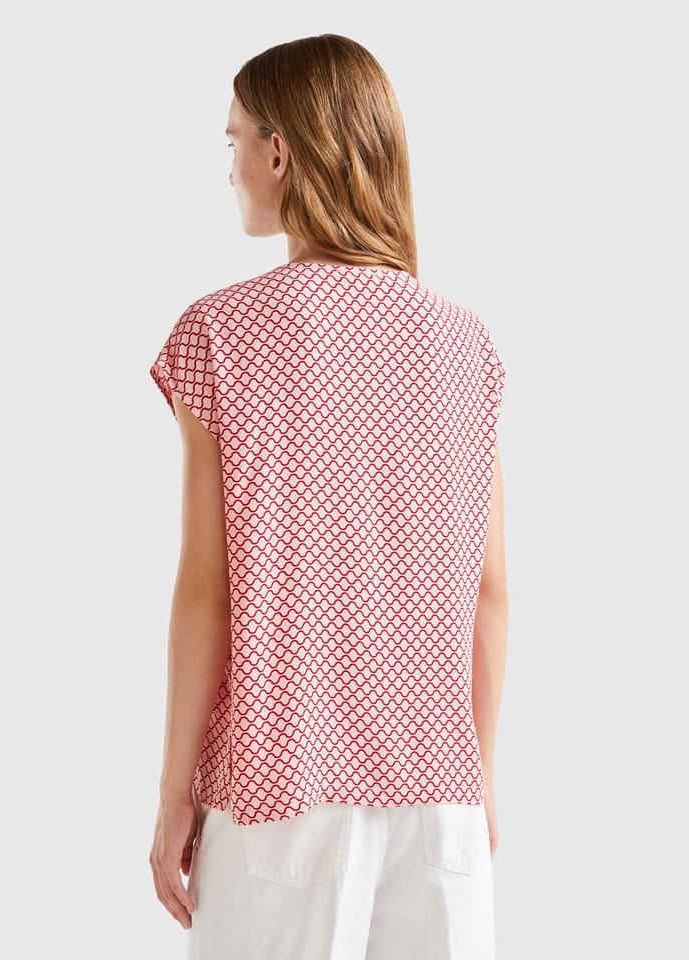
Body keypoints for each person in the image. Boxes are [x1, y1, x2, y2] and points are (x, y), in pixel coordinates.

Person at [148, 33, 508, 960]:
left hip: (283, 785)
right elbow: (488, 594)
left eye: (234, 141)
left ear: (280, 150)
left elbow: (207, 591)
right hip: (439, 794)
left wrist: (174, 795)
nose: (229, 166)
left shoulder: (221, 333)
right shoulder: (465, 344)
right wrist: (480, 781)